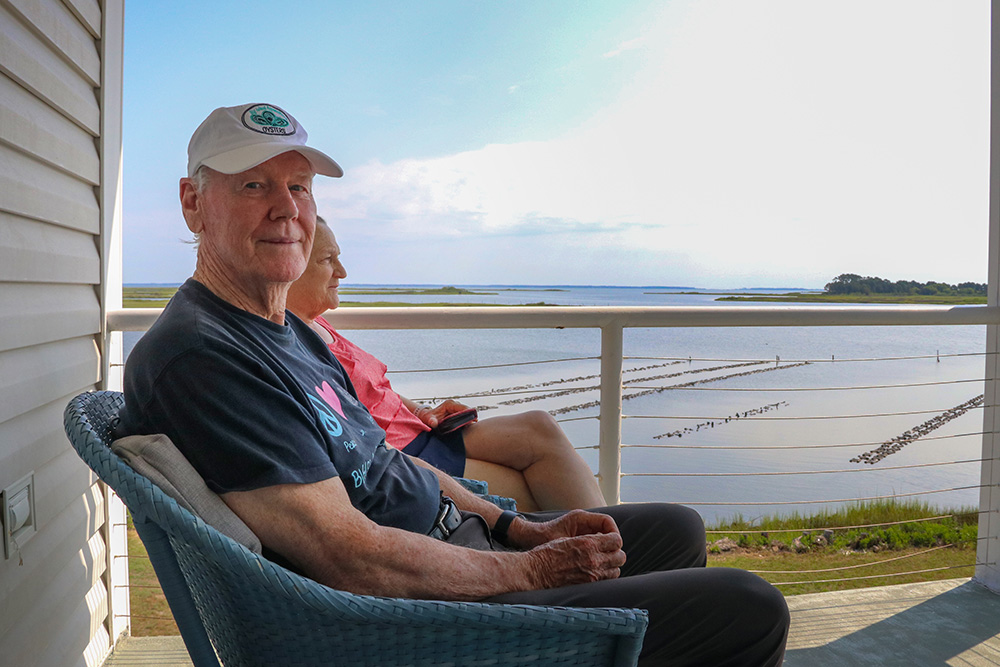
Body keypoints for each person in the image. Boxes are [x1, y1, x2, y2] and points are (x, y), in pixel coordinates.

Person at [116, 102, 789, 666]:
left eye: (298, 186)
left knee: (675, 527)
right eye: (253, 186)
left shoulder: (283, 329)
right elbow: (349, 558)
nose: (286, 209)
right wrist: (533, 570)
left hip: (460, 550)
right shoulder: (202, 357)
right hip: (423, 622)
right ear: (192, 203)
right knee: (748, 608)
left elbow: (389, 462)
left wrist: (516, 526)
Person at [285, 218, 605, 511]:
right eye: (328, 260)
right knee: (533, 486)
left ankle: (619, 537)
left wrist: (423, 411)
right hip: (402, 453)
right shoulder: (291, 341)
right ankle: (615, 549)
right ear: (291, 267)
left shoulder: (320, 324)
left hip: (419, 429)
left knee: (539, 425)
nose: (342, 272)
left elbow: (376, 392)